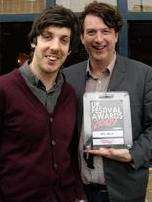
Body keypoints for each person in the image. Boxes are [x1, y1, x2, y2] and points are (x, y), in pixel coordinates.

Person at [63, 1, 152, 202]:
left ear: (116, 35)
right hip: (78, 191)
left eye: (106, 31)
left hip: (125, 191)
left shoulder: (144, 75)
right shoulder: (67, 77)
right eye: (92, 32)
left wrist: (131, 154)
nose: (99, 39)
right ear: (82, 37)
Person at [0, 5, 85, 202]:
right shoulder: (4, 89)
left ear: (69, 50)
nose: (55, 47)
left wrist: (78, 195)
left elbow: (71, 154)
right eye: (48, 36)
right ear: (33, 41)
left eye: (64, 40)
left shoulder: (70, 94)